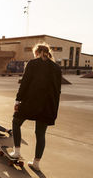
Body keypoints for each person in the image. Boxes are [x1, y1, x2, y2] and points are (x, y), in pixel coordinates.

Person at [9, 43, 62, 171]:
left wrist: (18, 100)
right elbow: (58, 90)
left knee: (16, 122)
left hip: (31, 102)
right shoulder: (56, 68)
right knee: (40, 133)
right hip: (48, 105)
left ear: (36, 52)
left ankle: (17, 152)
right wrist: (54, 108)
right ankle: (36, 163)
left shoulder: (32, 64)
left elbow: (25, 83)